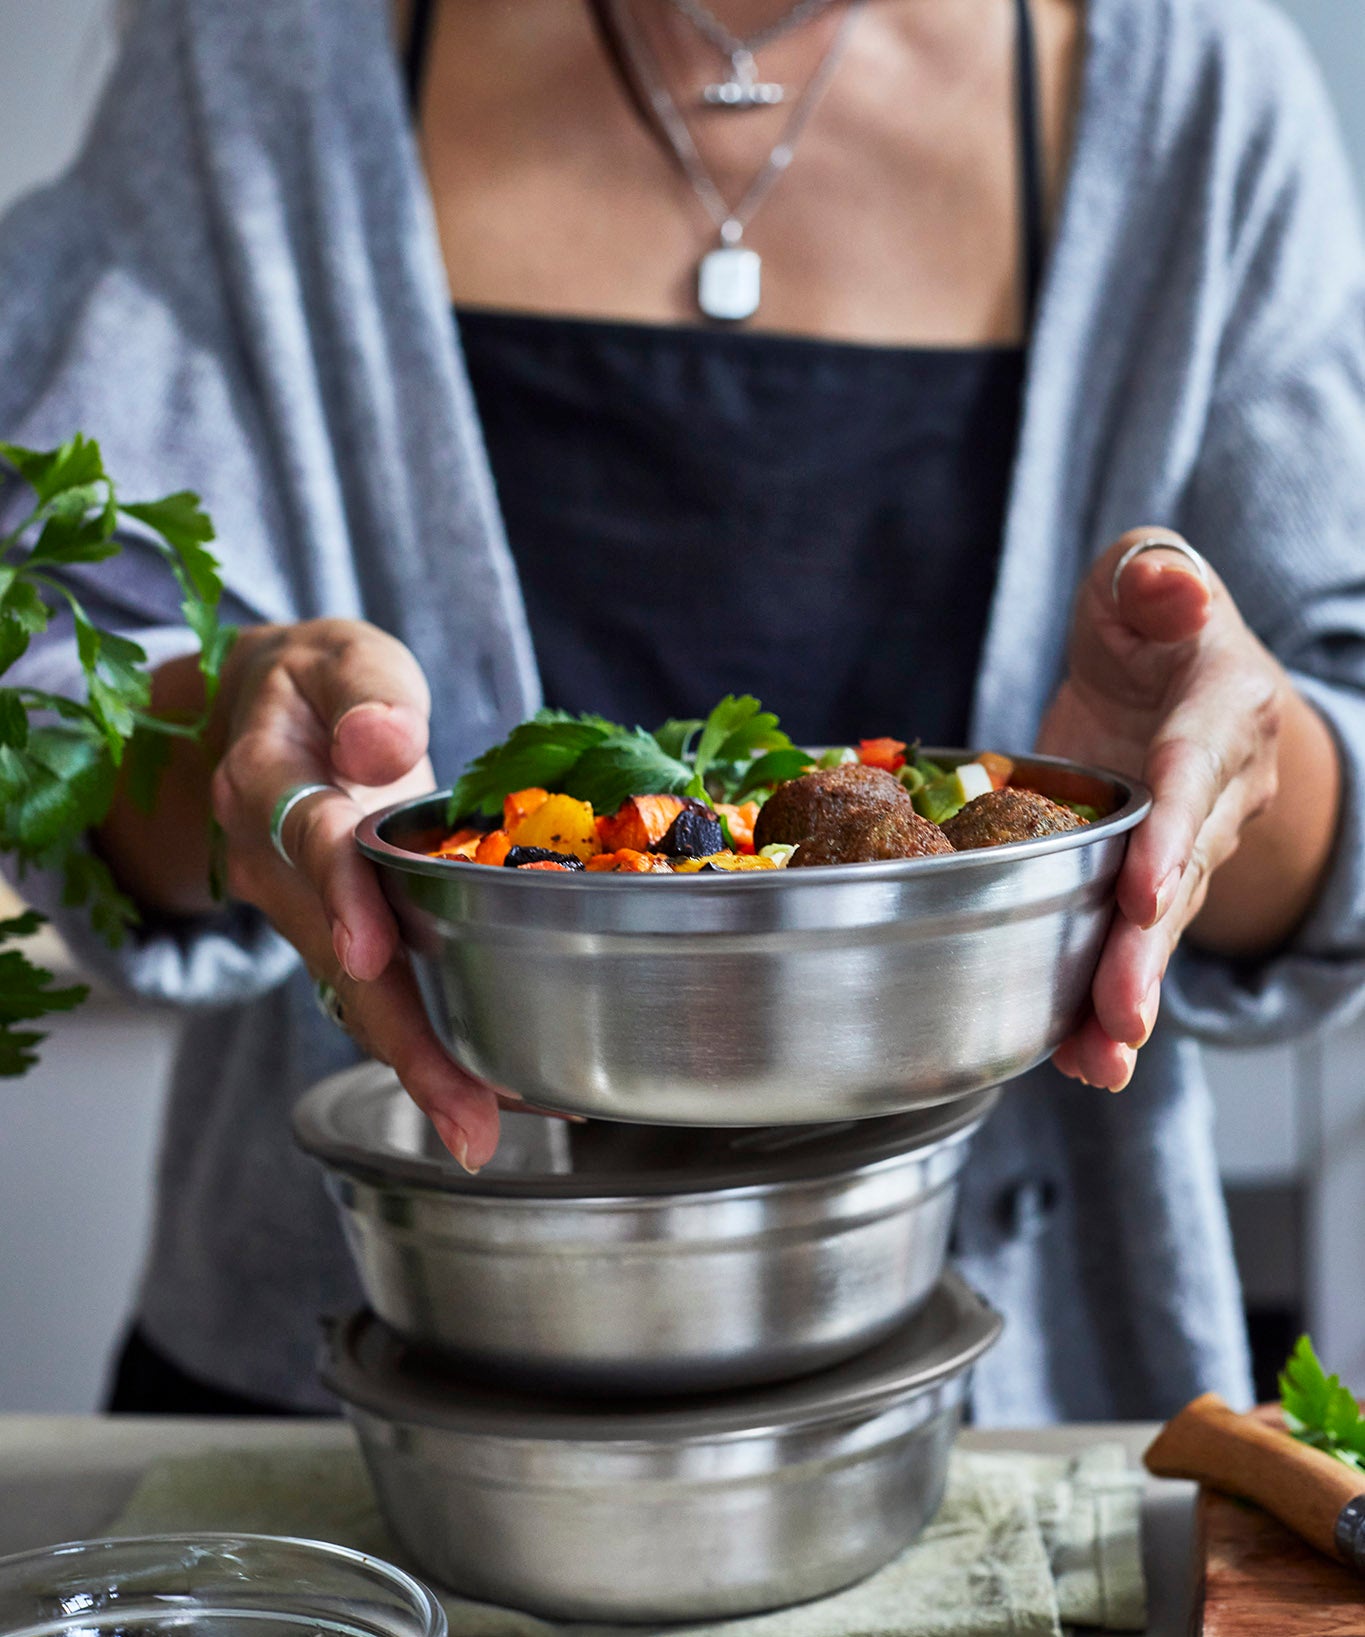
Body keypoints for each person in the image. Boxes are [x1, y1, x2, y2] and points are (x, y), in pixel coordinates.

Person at [1, 0, 1363, 1422]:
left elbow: (1336, 778)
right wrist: (238, 731)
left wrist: (1188, 783)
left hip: (1005, 1412)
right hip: (349, 1384)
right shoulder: (255, 61)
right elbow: (55, 715)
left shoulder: (1194, 97)